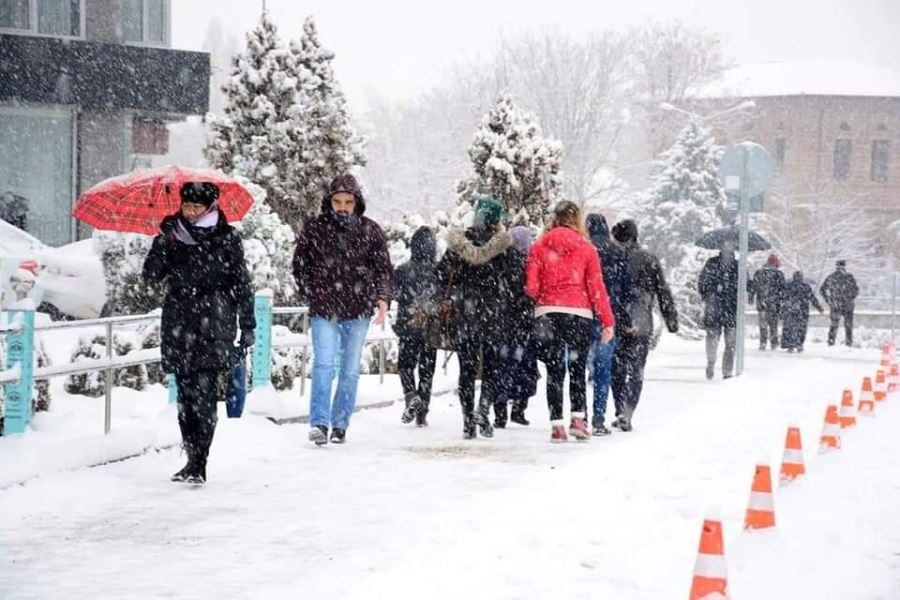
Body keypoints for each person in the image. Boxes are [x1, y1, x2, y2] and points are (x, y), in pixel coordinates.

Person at [142, 182, 255, 484]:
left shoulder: (227, 237)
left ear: (210, 207)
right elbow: (151, 276)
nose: (190, 212)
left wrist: (248, 324)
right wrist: (161, 245)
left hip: (214, 318)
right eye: (187, 206)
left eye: (197, 207)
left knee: (204, 393)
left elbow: (242, 282)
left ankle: (199, 460)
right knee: (185, 395)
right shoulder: (172, 234)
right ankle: (191, 455)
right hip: (179, 318)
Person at [292, 174, 393, 445]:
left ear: (357, 202)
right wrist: (311, 291)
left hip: (358, 309)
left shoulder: (370, 231)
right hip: (324, 308)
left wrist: (382, 298)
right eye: (337, 201)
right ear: (329, 202)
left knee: (349, 369)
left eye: (348, 201)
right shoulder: (314, 229)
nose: (343, 207)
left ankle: (340, 423)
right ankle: (319, 423)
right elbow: (299, 265)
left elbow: (383, 269)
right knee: (324, 364)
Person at [526, 201, 615, 443]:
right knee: (577, 369)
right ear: (577, 220)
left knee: (554, 370)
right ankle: (578, 419)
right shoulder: (587, 249)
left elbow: (532, 288)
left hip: (548, 314)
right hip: (579, 315)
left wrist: (546, 295)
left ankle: (556, 426)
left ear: (554, 218)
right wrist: (607, 321)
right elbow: (597, 287)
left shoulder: (538, 248)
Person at [437, 196, 522, 439]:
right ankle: (483, 409)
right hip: (495, 315)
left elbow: (442, 275)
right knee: (493, 368)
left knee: (467, 369)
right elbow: (517, 281)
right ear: (497, 220)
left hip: (465, 313)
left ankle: (467, 422)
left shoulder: (459, 245)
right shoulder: (505, 247)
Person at [609, 219, 678, 431]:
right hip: (642, 319)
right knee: (636, 369)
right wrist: (671, 318)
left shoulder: (614, 259)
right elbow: (663, 292)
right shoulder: (650, 259)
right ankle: (628, 411)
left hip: (618, 318)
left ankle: (620, 408)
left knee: (617, 367)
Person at [586, 213, 636, 436]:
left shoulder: (585, 250)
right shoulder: (618, 252)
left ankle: (580, 416)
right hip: (609, 317)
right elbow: (627, 291)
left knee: (580, 367)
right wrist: (625, 319)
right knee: (604, 370)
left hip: (585, 315)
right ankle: (598, 418)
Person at [393, 226, 439, 427]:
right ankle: (422, 413)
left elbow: (395, 294)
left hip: (407, 324)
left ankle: (410, 395)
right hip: (431, 326)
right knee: (427, 369)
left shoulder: (402, 270)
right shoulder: (439, 271)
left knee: (405, 364)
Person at [495, 225, 538, 428]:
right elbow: (534, 291)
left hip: (503, 323)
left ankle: (500, 411)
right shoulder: (530, 263)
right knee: (525, 366)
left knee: (503, 366)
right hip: (525, 323)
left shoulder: (501, 261)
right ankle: (519, 409)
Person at [699, 243, 739, 380]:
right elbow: (703, 283)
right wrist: (714, 289)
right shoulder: (712, 263)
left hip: (732, 308)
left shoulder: (738, 266)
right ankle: (711, 362)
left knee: (731, 342)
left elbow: (746, 285)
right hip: (715, 307)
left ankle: (727, 371)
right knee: (712, 338)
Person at [750, 254, 786, 351]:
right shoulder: (778, 274)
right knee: (773, 324)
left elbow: (753, 287)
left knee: (763, 324)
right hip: (774, 303)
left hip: (762, 302)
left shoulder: (759, 273)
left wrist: (751, 298)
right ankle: (773, 342)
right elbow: (783, 290)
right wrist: (782, 302)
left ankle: (763, 342)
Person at [781, 271, 824, 352]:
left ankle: (791, 344)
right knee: (801, 328)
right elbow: (812, 298)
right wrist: (820, 308)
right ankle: (799, 344)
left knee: (790, 327)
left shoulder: (788, 286)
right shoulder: (806, 287)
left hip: (791, 310)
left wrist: (782, 309)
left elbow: (783, 298)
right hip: (803, 311)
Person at [820, 260, 859, 347]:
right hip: (847, 305)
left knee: (834, 324)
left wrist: (829, 300)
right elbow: (856, 290)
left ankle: (831, 341)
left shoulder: (831, 277)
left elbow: (822, 290)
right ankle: (848, 343)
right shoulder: (849, 277)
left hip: (835, 305)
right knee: (848, 325)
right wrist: (850, 298)